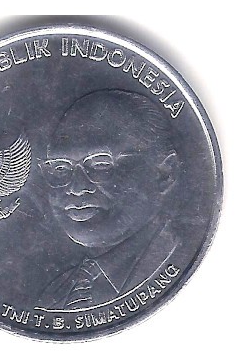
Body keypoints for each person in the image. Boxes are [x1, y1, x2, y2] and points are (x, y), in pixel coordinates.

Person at [37, 89, 180, 310]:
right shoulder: (56, 293)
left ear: (164, 173)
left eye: (100, 164)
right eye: (60, 167)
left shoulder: (180, 264)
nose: (76, 188)